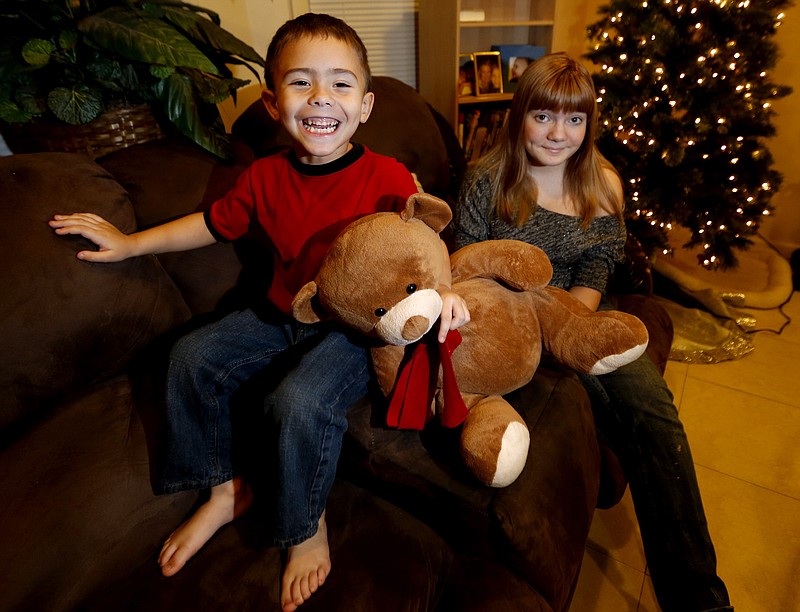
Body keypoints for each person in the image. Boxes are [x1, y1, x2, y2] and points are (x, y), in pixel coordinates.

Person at [50, 13, 469, 612]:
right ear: (274, 105)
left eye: (340, 84)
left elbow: (423, 245)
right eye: (302, 83)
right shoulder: (264, 177)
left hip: (351, 332)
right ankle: (223, 491)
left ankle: (305, 525)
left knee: (296, 401)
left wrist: (445, 291)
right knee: (190, 357)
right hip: (280, 313)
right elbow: (209, 225)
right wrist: (131, 242)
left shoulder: (388, 176)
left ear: (367, 104)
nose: (322, 98)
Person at [453, 52, 732, 612]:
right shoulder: (488, 179)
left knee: (652, 411)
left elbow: (600, 262)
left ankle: (701, 599)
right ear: (520, 114)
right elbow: (466, 263)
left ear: (589, 124)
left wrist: (576, 323)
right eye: (544, 116)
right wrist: (535, 334)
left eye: (574, 120)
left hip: (579, 316)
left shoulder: (602, 183)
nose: (558, 134)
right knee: (598, 403)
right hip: (508, 327)